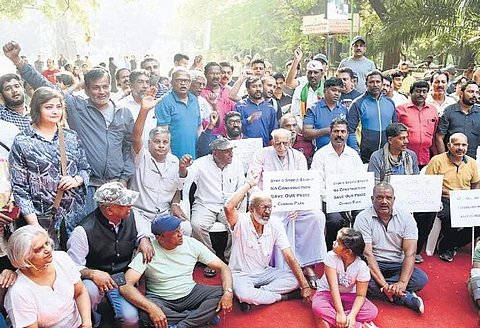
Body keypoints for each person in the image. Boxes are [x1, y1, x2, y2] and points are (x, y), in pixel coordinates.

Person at [4, 41, 136, 215]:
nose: (101, 91)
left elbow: (128, 147)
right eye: (96, 88)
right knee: (87, 238)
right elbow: (43, 85)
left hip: (117, 187)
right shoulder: (77, 107)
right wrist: (17, 61)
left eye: (105, 87)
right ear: (86, 90)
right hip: (89, 189)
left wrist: (125, 178)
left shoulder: (123, 113)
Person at [9, 87, 90, 247]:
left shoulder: (71, 137)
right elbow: (20, 188)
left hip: (75, 217)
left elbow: (85, 169)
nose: (55, 111)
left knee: (76, 265)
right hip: (42, 218)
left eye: (58, 106)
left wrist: (77, 179)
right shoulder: (23, 141)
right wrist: (34, 226)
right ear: (37, 108)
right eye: (49, 107)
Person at [120, 215, 233, 328]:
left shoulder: (191, 244)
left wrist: (228, 292)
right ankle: (200, 318)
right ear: (159, 237)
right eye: (174, 232)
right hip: (161, 298)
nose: (180, 234)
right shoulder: (148, 252)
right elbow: (125, 285)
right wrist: (152, 308)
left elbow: (223, 267)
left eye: (179, 229)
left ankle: (182, 325)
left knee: (222, 293)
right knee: (145, 314)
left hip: (190, 293)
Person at [67, 182, 153, 327]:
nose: (130, 206)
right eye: (124, 204)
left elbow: (145, 230)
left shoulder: (133, 215)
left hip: (122, 278)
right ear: (109, 210)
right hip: (94, 279)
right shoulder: (82, 231)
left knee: (131, 319)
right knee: (89, 292)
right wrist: (93, 274)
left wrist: (145, 238)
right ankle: (93, 321)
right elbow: (73, 266)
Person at [248, 128, 327, 288]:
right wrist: (264, 201)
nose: (282, 147)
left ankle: (308, 265)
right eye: (278, 143)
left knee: (317, 216)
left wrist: (299, 204)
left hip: (295, 204)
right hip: (270, 206)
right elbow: (252, 182)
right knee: (275, 221)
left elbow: (303, 184)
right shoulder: (261, 155)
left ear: (291, 142)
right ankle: (282, 270)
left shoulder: (298, 157)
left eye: (285, 143)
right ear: (272, 142)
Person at [224, 177, 312, 312]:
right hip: (241, 274)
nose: (267, 211)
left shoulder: (275, 224)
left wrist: (305, 286)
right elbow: (228, 207)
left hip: (265, 272)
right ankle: (282, 297)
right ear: (251, 208)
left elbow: (289, 256)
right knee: (244, 294)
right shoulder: (241, 221)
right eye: (264, 207)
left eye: (270, 207)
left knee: (295, 280)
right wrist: (248, 184)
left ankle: (258, 296)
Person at [354, 183, 428, 313]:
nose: (384, 201)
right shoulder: (363, 218)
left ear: (394, 199)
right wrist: (385, 285)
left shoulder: (406, 217)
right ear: (372, 199)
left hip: (397, 264)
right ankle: (406, 298)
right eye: (379, 197)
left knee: (421, 278)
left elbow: (410, 253)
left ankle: (387, 291)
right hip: (374, 264)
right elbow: (368, 255)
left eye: (388, 198)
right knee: (358, 276)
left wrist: (403, 283)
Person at [130, 87, 191, 237]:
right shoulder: (141, 157)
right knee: (147, 239)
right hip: (141, 214)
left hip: (164, 214)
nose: (161, 145)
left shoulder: (173, 161)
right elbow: (135, 137)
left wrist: (175, 204)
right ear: (149, 143)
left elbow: (177, 187)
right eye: (157, 141)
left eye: (165, 142)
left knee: (186, 228)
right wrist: (144, 110)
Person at [179, 138, 245, 276]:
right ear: (215, 153)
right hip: (205, 204)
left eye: (231, 151)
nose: (231, 154)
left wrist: (238, 200)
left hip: (228, 204)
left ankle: (230, 259)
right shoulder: (201, 163)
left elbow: (241, 186)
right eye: (227, 151)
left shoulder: (237, 164)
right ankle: (211, 259)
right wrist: (183, 167)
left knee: (238, 224)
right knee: (196, 225)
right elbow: (185, 177)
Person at [5, 225, 92, 327]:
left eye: (46, 243)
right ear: (23, 258)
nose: (48, 250)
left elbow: (80, 292)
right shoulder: (19, 291)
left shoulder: (62, 258)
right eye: (38, 249)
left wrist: (87, 323)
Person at [311, 118, 364, 250]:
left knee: (362, 215)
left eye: (343, 131)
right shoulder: (321, 155)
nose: (339, 135)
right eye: (336, 131)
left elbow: (361, 180)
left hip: (352, 200)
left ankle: (358, 251)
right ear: (330, 133)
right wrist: (336, 202)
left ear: (347, 134)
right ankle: (333, 250)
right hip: (330, 202)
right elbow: (317, 185)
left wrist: (349, 201)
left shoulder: (353, 155)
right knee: (335, 220)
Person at [426, 133, 480, 262]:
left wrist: (473, 198)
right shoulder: (437, 161)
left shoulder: (471, 163)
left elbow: (476, 183)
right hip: (444, 197)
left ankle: (449, 243)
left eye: (463, 145)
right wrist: (449, 193)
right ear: (449, 145)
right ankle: (447, 248)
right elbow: (428, 184)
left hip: (464, 199)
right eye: (456, 144)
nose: (460, 148)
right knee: (450, 216)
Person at [312, 228, 378, 328]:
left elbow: (360, 295)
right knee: (318, 306)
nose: (334, 242)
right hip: (327, 293)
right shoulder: (331, 257)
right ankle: (359, 326)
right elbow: (333, 288)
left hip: (350, 296)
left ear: (347, 252)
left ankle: (329, 321)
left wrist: (352, 315)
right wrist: (340, 313)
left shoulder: (362, 267)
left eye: (337, 242)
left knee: (371, 311)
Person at [347, 70, 398, 163]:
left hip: (386, 156)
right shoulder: (357, 104)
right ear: (366, 84)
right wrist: (355, 154)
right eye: (371, 82)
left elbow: (395, 130)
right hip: (364, 157)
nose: (375, 84)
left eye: (378, 82)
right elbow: (350, 131)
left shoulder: (390, 103)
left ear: (382, 84)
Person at [155, 67, 202, 160]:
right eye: (179, 80)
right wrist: (170, 158)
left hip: (194, 156)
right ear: (171, 82)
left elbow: (199, 127)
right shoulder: (164, 101)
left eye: (186, 80)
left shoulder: (194, 100)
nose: (183, 83)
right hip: (174, 157)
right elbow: (162, 133)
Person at [395, 81, 439, 168]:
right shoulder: (400, 110)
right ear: (411, 92)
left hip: (427, 157)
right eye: (418, 91)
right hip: (404, 157)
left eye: (424, 91)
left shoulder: (433, 110)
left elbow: (435, 134)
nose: (421, 94)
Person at [436, 80, 480, 159]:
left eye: (477, 92)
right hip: (450, 160)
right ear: (461, 93)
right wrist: (444, 160)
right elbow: (439, 138)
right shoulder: (448, 111)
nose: (474, 95)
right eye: (471, 92)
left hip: (472, 161)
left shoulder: (479, 112)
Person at [303, 77, 349, 150]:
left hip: (341, 154)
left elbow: (349, 133)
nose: (337, 94)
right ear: (325, 90)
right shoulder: (313, 109)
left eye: (340, 91)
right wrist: (328, 130)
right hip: (319, 154)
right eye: (333, 90)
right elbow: (306, 133)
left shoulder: (344, 110)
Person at [234, 76, 278, 146]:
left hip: (264, 148)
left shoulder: (270, 108)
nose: (258, 89)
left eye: (260, 86)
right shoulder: (240, 106)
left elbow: (274, 131)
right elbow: (234, 128)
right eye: (254, 86)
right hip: (245, 148)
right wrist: (248, 121)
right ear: (248, 90)